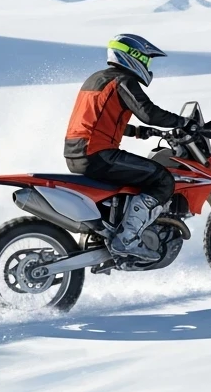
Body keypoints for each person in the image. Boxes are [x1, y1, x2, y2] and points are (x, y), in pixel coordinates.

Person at [64, 33, 193, 261]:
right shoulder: (123, 80)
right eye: (145, 59)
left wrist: (136, 131)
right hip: (98, 155)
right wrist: (183, 123)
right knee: (162, 179)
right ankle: (127, 239)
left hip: (77, 154)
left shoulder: (95, 79)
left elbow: (97, 119)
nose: (147, 65)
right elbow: (149, 113)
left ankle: (116, 228)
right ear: (132, 56)